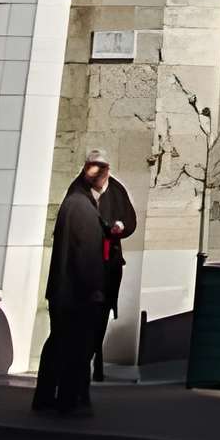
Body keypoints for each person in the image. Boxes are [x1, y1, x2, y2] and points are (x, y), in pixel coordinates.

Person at [34, 162, 108, 417]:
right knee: (75, 348)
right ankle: (68, 400)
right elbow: (85, 255)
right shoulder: (82, 208)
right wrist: (94, 291)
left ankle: (46, 397)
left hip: (64, 292)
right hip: (77, 295)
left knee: (58, 343)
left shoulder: (73, 202)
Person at [92, 166, 137, 383]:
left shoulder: (115, 190)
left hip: (108, 264)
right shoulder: (81, 195)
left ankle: (96, 361)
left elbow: (129, 221)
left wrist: (119, 228)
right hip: (93, 266)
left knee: (101, 313)